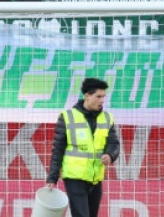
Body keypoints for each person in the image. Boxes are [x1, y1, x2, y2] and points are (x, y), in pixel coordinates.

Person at [45, 77, 120, 217]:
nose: (102, 100)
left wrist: (110, 155)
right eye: (98, 96)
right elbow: (58, 150)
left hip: (96, 178)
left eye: (104, 96)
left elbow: (114, 143)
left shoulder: (107, 118)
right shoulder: (67, 117)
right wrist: (52, 178)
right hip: (74, 177)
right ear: (87, 96)